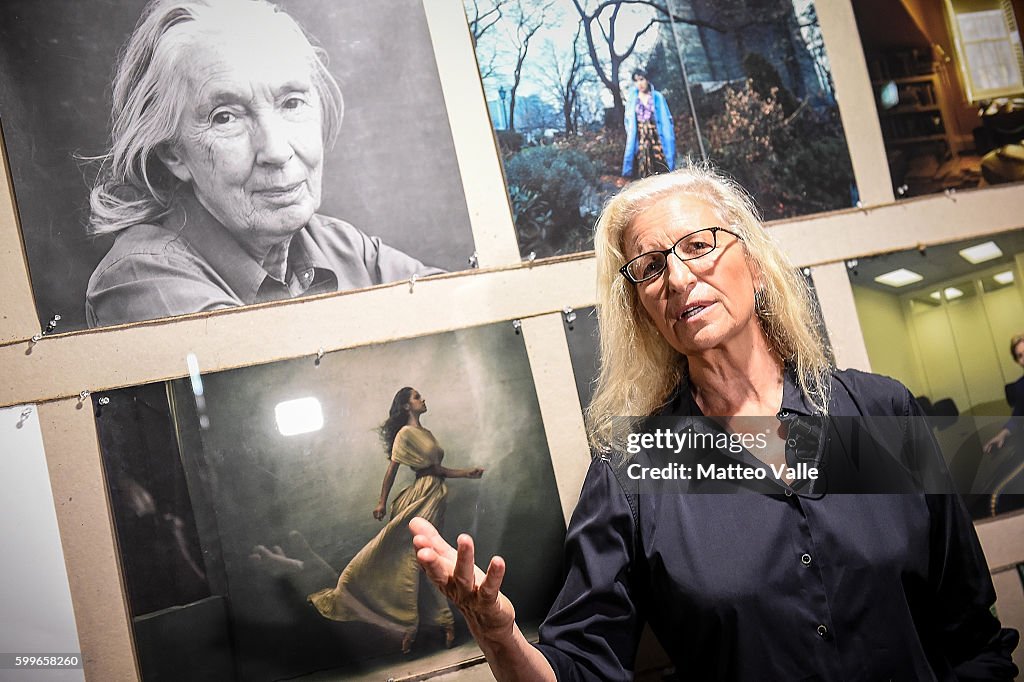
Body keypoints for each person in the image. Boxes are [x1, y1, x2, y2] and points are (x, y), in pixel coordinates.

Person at [409, 166, 1019, 680]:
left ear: (753, 264)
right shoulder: (639, 466)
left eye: (698, 247)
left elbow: (969, 634)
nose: (676, 278)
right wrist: (497, 635)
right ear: (644, 311)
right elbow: (581, 667)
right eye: (649, 268)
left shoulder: (875, 415)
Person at [84, 0, 442, 328]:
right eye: (225, 117)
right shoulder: (139, 277)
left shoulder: (343, 247)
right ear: (173, 153)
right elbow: (280, 386)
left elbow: (468, 314)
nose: (276, 150)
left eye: (292, 103)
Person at [308, 387, 483, 654]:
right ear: (405, 406)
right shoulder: (405, 434)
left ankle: (429, 625)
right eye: (417, 397)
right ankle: (414, 625)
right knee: (415, 558)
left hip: (435, 493)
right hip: (421, 496)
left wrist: (466, 473)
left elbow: (436, 469)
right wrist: (380, 501)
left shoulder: (426, 434)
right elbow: (392, 470)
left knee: (426, 558)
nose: (423, 399)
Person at [621, 69, 675, 179]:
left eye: (641, 79)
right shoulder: (632, 100)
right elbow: (628, 121)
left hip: (657, 137)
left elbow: (667, 119)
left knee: (662, 169)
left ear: (647, 80)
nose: (639, 83)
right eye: (636, 81)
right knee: (644, 172)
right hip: (641, 140)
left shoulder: (657, 97)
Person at [983, 334, 1024, 454]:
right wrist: (1003, 434)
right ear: (1018, 362)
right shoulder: (1020, 386)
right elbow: (1017, 417)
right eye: (1020, 355)